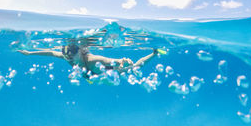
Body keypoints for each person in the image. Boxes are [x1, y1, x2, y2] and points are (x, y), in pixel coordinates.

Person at [18, 43, 164, 76]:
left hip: (103, 71)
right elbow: (50, 52)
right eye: (67, 57)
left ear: (80, 53)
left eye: (72, 57)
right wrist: (29, 53)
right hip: (90, 74)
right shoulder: (67, 57)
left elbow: (110, 60)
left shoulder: (93, 59)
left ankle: (154, 53)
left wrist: (121, 60)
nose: (69, 60)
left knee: (133, 69)